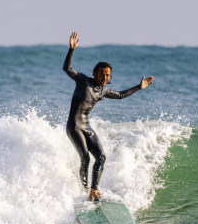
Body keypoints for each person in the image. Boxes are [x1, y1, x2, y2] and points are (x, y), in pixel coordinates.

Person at [63, 31, 153, 201]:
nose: (105, 78)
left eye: (108, 75)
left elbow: (119, 95)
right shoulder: (83, 81)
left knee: (102, 156)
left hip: (86, 126)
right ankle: (84, 187)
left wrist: (139, 87)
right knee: (85, 157)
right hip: (73, 127)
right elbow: (66, 68)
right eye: (102, 74)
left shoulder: (103, 90)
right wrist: (71, 50)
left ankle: (94, 190)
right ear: (95, 72)